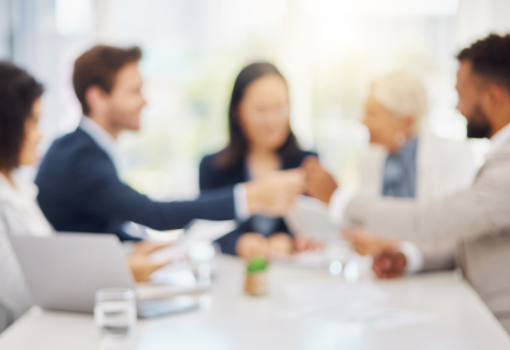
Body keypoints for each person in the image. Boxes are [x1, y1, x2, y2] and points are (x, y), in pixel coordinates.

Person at [305, 34, 510, 332]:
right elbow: (470, 241)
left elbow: (433, 220)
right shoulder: (499, 156)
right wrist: (407, 257)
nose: (457, 108)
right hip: (469, 311)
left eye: (462, 95)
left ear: (493, 97)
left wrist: (338, 198)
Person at [35, 46, 305, 242]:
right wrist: (252, 196)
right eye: (134, 91)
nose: (146, 101)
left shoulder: (84, 149)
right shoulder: (80, 157)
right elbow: (154, 214)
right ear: (97, 98)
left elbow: (99, 226)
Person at [0, 62, 168, 333]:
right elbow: (25, 291)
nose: (39, 134)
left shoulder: (18, 186)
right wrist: (119, 273)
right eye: (32, 122)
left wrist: (126, 253)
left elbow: (53, 258)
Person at [343, 71, 474, 273]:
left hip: (437, 277)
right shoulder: (370, 159)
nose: (363, 121)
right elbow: (367, 220)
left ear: (405, 120)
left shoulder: (453, 155)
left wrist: (397, 249)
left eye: (372, 114)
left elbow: (452, 236)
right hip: (382, 274)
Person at [200, 63, 321, 259]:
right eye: (261, 110)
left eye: (280, 107)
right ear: (238, 111)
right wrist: (239, 243)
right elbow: (206, 228)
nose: (273, 120)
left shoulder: (308, 164)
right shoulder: (213, 167)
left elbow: (319, 227)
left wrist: (289, 239)